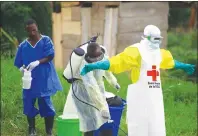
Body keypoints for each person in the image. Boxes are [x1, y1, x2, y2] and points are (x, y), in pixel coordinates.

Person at [80, 25, 196, 136]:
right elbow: (116, 62)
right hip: (139, 100)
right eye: (154, 39)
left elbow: (170, 62)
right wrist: (94, 66)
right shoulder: (137, 51)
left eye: (159, 39)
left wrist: (183, 66)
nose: (157, 42)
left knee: (157, 128)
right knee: (139, 128)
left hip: (155, 101)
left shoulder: (159, 53)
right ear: (146, 38)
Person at [14, 19, 63, 136]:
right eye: (29, 31)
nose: (32, 33)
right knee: (28, 102)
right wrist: (21, 68)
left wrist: (38, 62)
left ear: (37, 28)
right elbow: (18, 62)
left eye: (34, 30)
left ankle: (49, 130)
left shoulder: (45, 40)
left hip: (43, 77)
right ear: (26, 31)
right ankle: (32, 129)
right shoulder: (23, 46)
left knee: (46, 102)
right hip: (29, 79)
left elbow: (50, 56)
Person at [63, 42, 120, 136]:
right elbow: (91, 86)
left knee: (106, 119)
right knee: (89, 122)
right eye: (95, 58)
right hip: (82, 93)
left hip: (98, 88)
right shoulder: (84, 66)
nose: (97, 60)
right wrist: (101, 107)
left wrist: (113, 82)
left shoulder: (103, 55)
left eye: (99, 57)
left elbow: (106, 69)